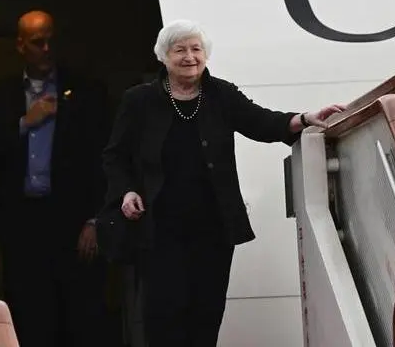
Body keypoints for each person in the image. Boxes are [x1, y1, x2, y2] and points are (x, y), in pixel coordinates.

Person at [101, 19, 346, 347]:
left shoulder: (221, 94)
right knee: (163, 314)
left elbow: (261, 122)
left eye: (196, 49)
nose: (190, 57)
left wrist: (304, 119)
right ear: (163, 57)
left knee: (206, 313)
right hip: (159, 229)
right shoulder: (139, 100)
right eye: (180, 50)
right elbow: (114, 156)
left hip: (212, 228)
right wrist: (126, 191)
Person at [0, 10, 115, 346]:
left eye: (52, 40)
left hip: (73, 220)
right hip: (21, 222)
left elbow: (107, 158)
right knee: (29, 313)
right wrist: (26, 121)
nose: (47, 48)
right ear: (21, 45)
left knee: (81, 314)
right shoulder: (0, 95)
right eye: (38, 42)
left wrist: (97, 219)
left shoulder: (87, 92)